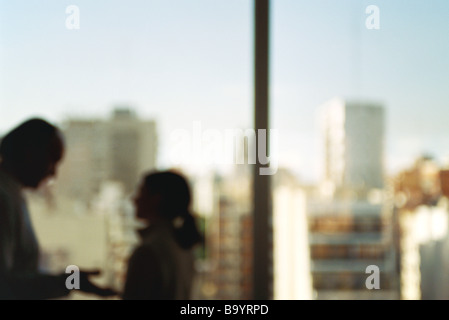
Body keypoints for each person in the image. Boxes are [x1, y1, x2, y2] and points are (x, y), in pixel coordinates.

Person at [0, 118, 116, 299]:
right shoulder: (4, 199)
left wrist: (69, 281)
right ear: (30, 152)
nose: (53, 173)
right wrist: (67, 282)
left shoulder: (14, 196)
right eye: (52, 160)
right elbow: (4, 286)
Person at [122, 170, 203, 300]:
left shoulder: (148, 251)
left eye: (141, 192)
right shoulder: (184, 247)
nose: (134, 199)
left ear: (156, 199)